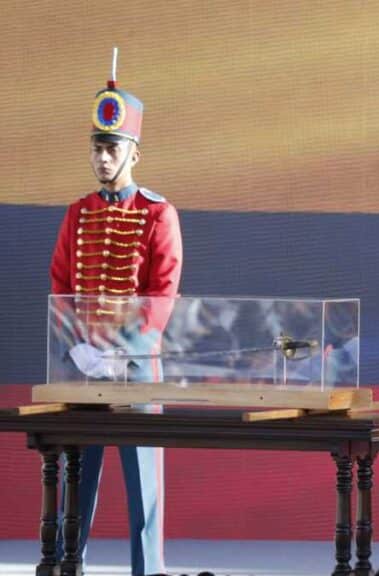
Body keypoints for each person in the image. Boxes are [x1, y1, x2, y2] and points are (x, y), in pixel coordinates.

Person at [49, 49, 183, 576]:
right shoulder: (77, 213)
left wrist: (120, 352)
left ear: (134, 153)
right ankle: (65, 566)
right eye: (96, 148)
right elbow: (61, 284)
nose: (103, 158)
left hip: (134, 369)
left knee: (144, 493)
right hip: (81, 367)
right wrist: (75, 347)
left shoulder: (157, 213)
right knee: (75, 485)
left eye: (112, 147)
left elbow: (162, 293)